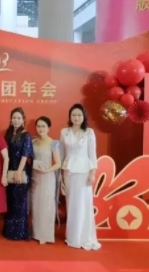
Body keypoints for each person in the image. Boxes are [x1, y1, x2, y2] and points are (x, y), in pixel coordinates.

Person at [60, 103, 101, 251]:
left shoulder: (89, 132)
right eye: (73, 115)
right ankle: (72, 237)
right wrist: (61, 176)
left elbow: (92, 154)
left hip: (84, 172)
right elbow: (62, 154)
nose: (76, 118)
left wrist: (93, 173)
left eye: (79, 115)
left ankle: (84, 237)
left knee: (83, 204)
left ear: (83, 117)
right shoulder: (64, 132)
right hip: (68, 171)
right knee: (71, 204)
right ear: (70, 117)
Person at [3, 107, 34, 241]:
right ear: (11, 119)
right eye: (14, 118)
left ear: (23, 120)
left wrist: (19, 172)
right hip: (9, 170)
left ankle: (20, 232)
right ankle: (10, 231)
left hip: (20, 171)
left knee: (20, 202)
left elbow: (25, 155)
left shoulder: (26, 135)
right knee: (11, 201)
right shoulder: (8, 134)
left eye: (19, 118)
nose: (16, 120)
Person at [30, 116, 61, 244]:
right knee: (35, 205)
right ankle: (35, 232)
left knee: (46, 205)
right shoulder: (33, 141)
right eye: (38, 126)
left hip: (47, 177)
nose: (40, 128)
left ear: (49, 128)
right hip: (34, 176)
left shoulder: (54, 143)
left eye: (43, 126)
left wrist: (48, 170)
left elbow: (58, 163)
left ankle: (45, 235)